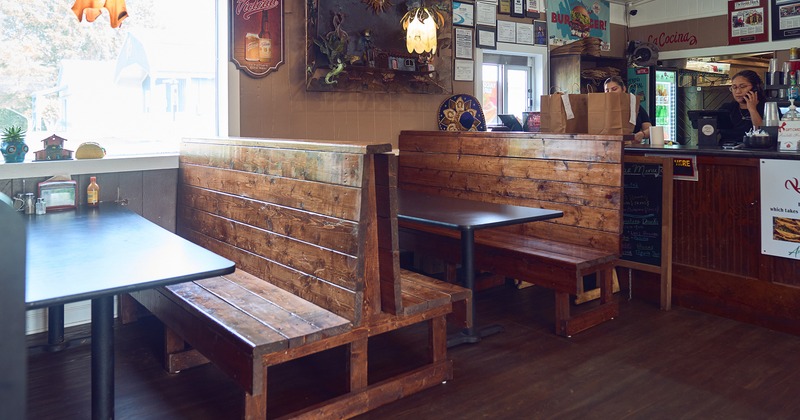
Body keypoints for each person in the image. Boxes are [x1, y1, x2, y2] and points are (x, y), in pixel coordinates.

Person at [718, 69, 767, 141]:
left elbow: (762, 134)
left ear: (755, 87)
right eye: (734, 87)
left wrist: (752, 109)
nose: (738, 91)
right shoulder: (727, 108)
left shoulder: (767, 108)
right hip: (727, 150)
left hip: (755, 150)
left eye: (743, 86)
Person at [604, 76, 652, 144]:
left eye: (614, 89)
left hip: (632, 148)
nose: (610, 92)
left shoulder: (634, 106)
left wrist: (642, 134)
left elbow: (649, 129)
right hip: (607, 147)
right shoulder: (601, 108)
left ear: (623, 89)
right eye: (607, 90)